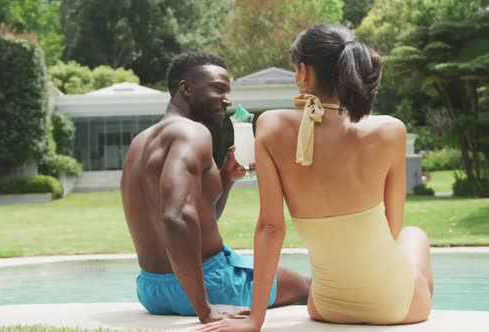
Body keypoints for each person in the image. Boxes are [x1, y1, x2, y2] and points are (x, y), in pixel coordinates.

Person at [199, 24, 434, 331]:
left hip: (325, 306)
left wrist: (256, 319)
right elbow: (392, 228)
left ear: (303, 74)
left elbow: (271, 227)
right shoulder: (390, 130)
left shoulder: (270, 126)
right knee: (413, 236)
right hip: (396, 307)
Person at [120, 51, 310, 324]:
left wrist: (226, 178)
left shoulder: (141, 142)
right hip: (208, 283)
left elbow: (198, 217)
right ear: (186, 88)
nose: (228, 99)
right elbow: (176, 218)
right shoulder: (193, 133)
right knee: (309, 287)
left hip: (151, 288)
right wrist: (205, 310)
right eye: (219, 89)